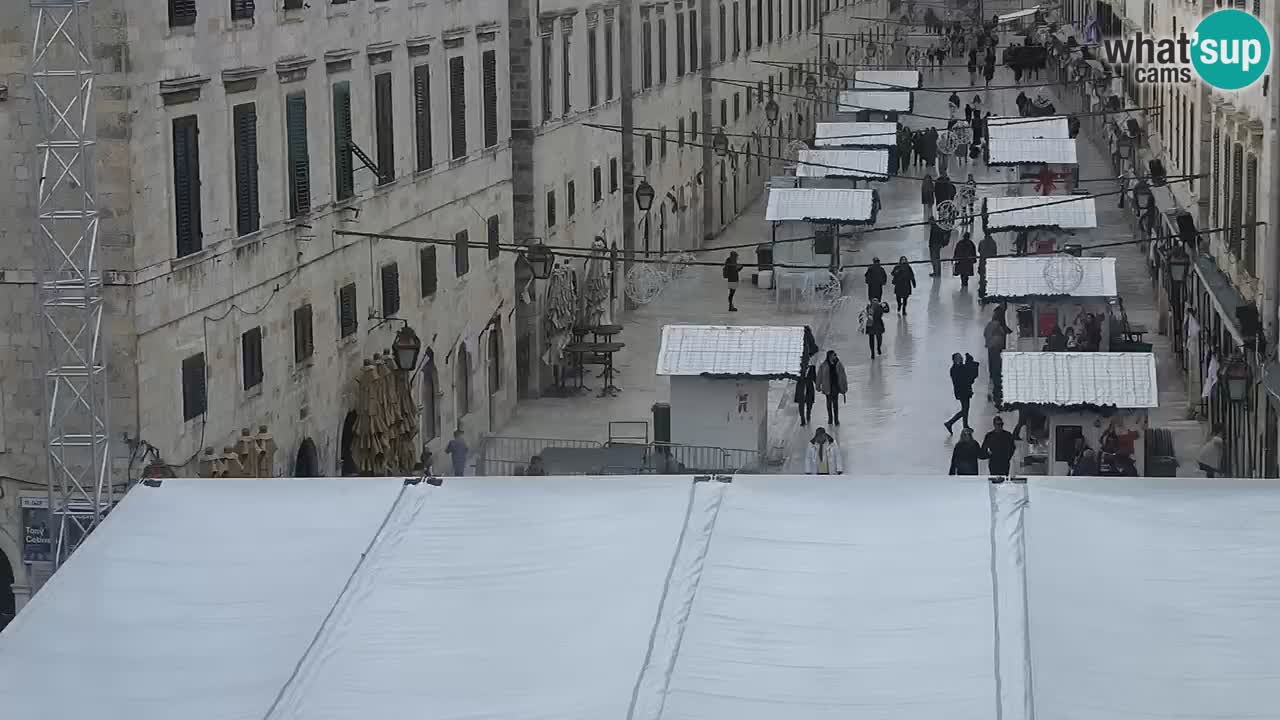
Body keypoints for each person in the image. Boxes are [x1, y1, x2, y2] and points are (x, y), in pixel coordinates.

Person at [945, 352, 980, 434]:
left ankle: (964, 425)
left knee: (965, 409)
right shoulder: (954, 369)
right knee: (965, 409)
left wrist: (969, 362)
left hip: (964, 390)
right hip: (962, 391)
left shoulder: (958, 368)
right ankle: (951, 423)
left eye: (960, 357)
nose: (960, 359)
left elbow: (969, 374)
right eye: (958, 358)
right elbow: (963, 377)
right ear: (954, 360)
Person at [983, 307, 1012, 401]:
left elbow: (985, 333)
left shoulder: (989, 325)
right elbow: (1004, 332)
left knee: (992, 369)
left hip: (990, 347)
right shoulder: (999, 326)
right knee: (997, 369)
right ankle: (996, 391)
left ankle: (991, 390)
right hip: (996, 348)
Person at [816, 350, 848, 426]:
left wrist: (844, 386)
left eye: (835, 355)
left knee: (835, 404)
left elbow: (843, 376)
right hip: (827, 387)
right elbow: (819, 376)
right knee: (829, 403)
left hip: (835, 387)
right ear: (830, 356)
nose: (835, 356)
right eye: (834, 355)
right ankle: (830, 418)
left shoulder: (839, 364)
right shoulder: (824, 365)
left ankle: (836, 419)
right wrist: (818, 386)